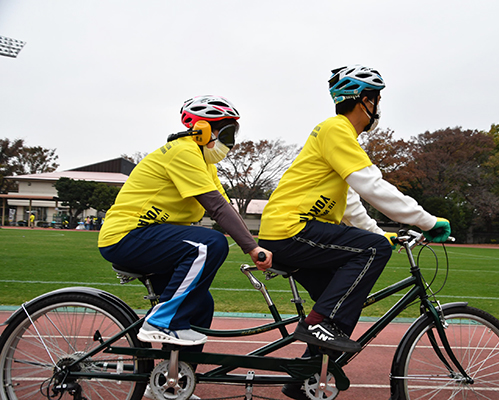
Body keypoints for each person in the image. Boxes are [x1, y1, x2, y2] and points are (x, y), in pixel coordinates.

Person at [257, 65, 450, 400]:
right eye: (376, 99)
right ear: (365, 101)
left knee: (346, 304)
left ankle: (304, 378)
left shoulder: (337, 136)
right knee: (370, 256)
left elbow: (350, 205)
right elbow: (372, 185)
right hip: (291, 230)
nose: (378, 108)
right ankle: (318, 325)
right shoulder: (337, 130)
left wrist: (379, 232)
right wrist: (427, 221)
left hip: (292, 231)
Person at [98, 95, 272, 350]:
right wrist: (252, 249)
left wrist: (259, 243)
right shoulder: (184, 151)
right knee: (209, 244)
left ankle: (173, 383)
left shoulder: (204, 163)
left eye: (232, 134)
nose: (230, 142)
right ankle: (161, 322)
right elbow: (216, 207)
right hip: (126, 235)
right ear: (201, 129)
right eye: (225, 133)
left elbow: (227, 209)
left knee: (201, 305)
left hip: (147, 237)